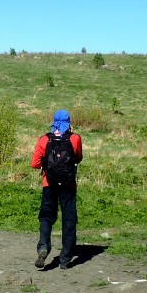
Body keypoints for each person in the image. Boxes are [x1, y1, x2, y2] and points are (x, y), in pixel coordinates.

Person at [31, 109, 83, 269]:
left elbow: (34, 164)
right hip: (68, 185)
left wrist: (47, 166)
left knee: (46, 217)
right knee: (69, 219)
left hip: (49, 183)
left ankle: (44, 246)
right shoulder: (75, 138)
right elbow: (78, 158)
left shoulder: (44, 139)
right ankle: (65, 260)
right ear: (69, 122)